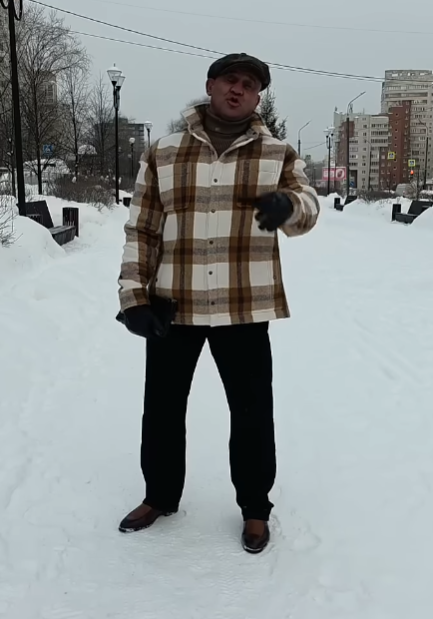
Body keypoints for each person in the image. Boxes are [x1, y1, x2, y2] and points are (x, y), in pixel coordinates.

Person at [117, 53, 320, 554]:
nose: (238, 89)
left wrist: (288, 206)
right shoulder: (164, 152)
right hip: (174, 302)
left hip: (243, 304)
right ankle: (159, 495)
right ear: (210, 85)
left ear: (257, 97)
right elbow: (142, 228)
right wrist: (134, 297)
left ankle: (255, 508)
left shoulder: (277, 153)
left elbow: (309, 207)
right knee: (162, 410)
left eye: (250, 85)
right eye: (231, 79)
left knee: (252, 414)